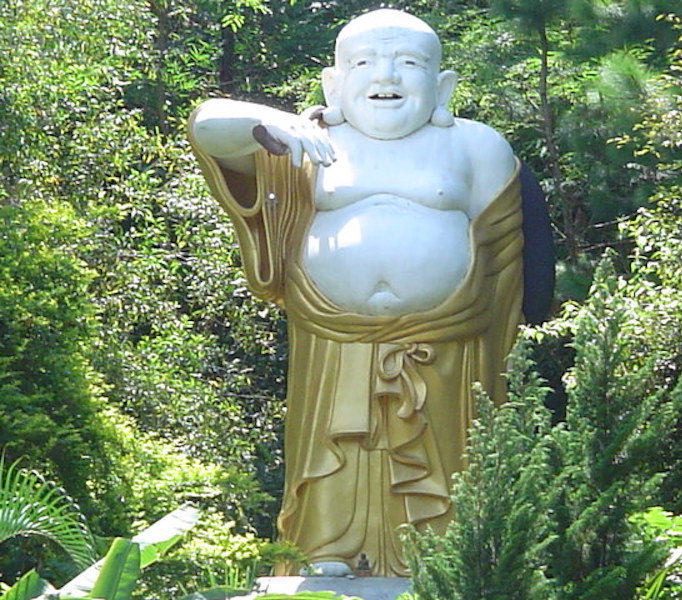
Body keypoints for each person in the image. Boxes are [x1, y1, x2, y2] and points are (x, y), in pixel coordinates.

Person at [188, 8, 552, 577]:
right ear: (334, 84)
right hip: (336, 337)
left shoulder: (474, 145)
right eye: (364, 62)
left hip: (445, 341)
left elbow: (501, 256)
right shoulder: (301, 145)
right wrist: (271, 122)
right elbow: (208, 125)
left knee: (449, 459)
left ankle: (445, 558)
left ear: (442, 85)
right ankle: (325, 549)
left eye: (408, 63)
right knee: (336, 451)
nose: (386, 77)